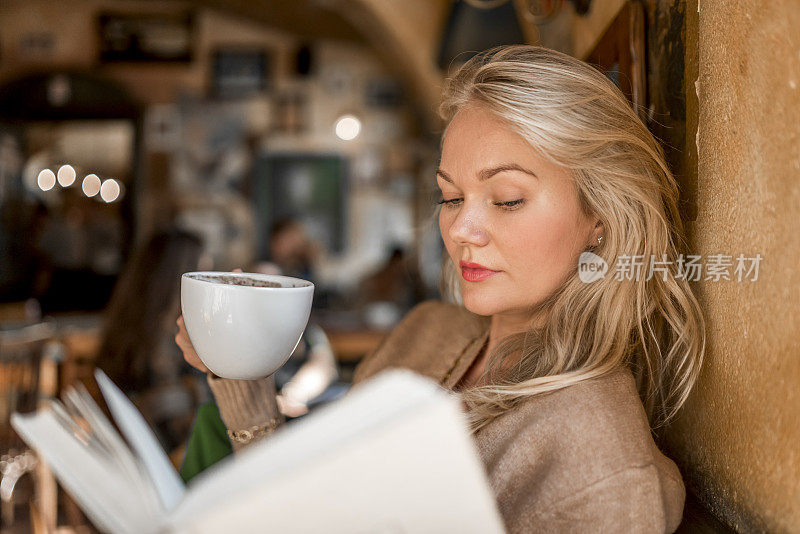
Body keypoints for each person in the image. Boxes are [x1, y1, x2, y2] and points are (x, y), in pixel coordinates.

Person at [175, 45, 705, 532]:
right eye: (451, 197)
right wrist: (240, 374)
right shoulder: (424, 333)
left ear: (602, 214)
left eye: (507, 199)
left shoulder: (604, 466)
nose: (460, 229)